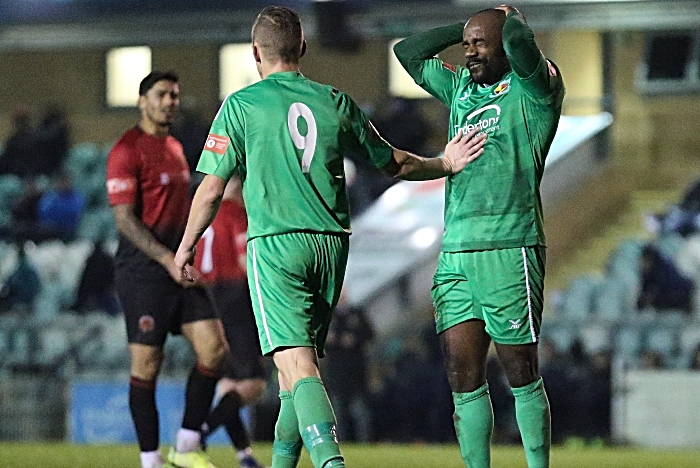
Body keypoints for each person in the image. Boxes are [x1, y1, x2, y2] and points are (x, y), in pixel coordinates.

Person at [174, 6, 485, 468]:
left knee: (297, 367)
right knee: (290, 380)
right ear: (301, 48)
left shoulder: (240, 106)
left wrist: (185, 247)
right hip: (330, 246)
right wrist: (444, 162)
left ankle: (331, 463)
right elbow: (393, 163)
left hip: (277, 245)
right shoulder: (334, 100)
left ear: (255, 52)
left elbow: (212, 189)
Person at [394, 5, 565, 468]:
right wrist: (468, 26)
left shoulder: (534, 88)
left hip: (511, 247)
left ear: (506, 41)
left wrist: (508, 24)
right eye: (466, 45)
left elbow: (520, 48)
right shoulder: (461, 87)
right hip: (457, 253)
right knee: (461, 376)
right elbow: (406, 52)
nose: (469, 52)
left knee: (520, 373)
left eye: (478, 43)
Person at [106, 70, 228, 468]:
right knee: (147, 364)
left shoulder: (175, 147)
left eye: (175, 95)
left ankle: (188, 445)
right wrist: (165, 260)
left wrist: (184, 256)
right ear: (142, 101)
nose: (170, 101)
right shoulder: (126, 150)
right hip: (143, 272)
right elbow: (125, 220)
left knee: (214, 349)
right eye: (162, 95)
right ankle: (150, 460)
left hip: (179, 266)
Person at [192, 176, 268, 468]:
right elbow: (243, 260)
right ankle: (200, 433)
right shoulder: (236, 213)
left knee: (227, 384)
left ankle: (244, 455)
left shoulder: (200, 212)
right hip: (233, 296)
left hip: (204, 297)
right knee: (254, 383)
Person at [322, 291, 374, 442]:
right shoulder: (328, 316)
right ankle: (338, 442)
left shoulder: (357, 314)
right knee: (337, 411)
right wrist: (338, 340)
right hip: (336, 373)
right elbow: (320, 337)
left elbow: (370, 334)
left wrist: (355, 339)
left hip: (356, 372)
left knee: (360, 411)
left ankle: (365, 441)